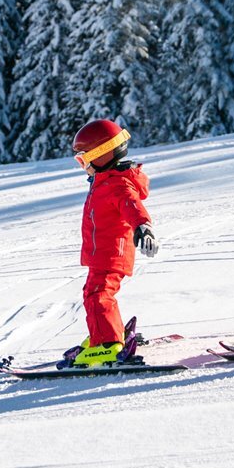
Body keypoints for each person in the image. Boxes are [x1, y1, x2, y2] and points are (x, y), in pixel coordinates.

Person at [61, 119, 158, 368]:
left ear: (101, 155)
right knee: (94, 294)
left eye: (84, 160)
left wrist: (142, 227)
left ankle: (107, 344)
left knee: (98, 296)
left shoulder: (116, 183)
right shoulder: (105, 181)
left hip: (110, 254)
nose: (83, 166)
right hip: (103, 254)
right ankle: (102, 335)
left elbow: (132, 205)